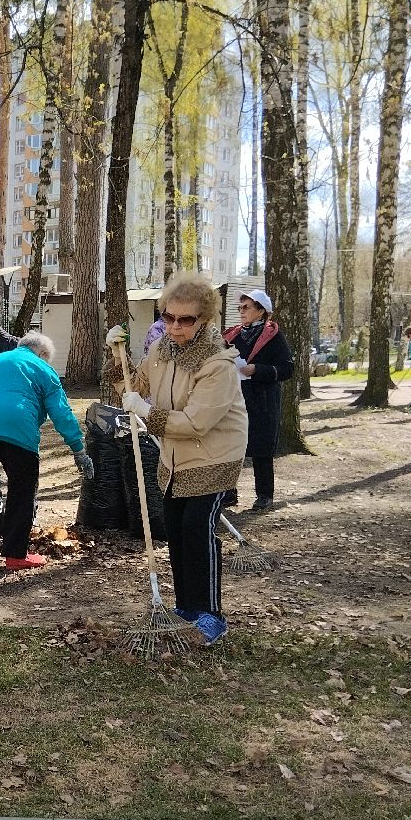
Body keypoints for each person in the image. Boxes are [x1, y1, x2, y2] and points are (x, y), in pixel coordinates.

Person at [108, 272, 248, 646]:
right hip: (173, 457)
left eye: (185, 319)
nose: (175, 326)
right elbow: (134, 387)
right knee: (176, 531)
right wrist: (116, 356)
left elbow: (195, 423)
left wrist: (145, 412)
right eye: (168, 317)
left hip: (214, 457)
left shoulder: (218, 365)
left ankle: (211, 615)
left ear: (205, 319)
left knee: (197, 533)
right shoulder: (162, 351)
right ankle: (186, 607)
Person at [0, 332, 93, 569]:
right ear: (43, 354)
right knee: (22, 489)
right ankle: (15, 554)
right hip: (16, 427)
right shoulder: (44, 369)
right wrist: (78, 450)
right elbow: (62, 414)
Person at [221, 289, 293, 512]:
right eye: (240, 308)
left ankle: (264, 495)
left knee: (261, 450)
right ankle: (228, 493)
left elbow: (287, 369)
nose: (241, 312)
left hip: (262, 401)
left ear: (261, 311)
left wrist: (257, 370)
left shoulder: (273, 337)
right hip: (234, 398)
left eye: (246, 307)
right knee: (229, 447)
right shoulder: (232, 335)